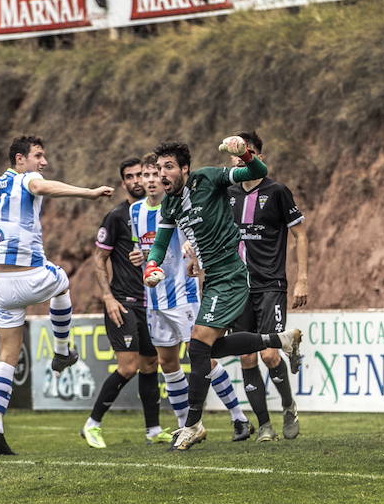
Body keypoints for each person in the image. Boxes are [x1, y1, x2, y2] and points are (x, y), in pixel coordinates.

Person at [0, 135, 114, 456]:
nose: (44, 163)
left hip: (0, 285)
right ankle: (63, 351)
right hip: (28, 272)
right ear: (20, 160)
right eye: (38, 156)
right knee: (62, 282)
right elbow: (39, 187)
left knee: (7, 357)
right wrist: (88, 193)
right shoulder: (28, 178)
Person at [142, 138, 304, 451]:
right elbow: (160, 243)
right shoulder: (170, 204)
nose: (163, 173)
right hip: (211, 279)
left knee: (199, 347)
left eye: (169, 167)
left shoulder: (207, 178)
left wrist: (242, 153)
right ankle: (279, 340)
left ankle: (192, 425)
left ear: (185, 169)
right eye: (159, 167)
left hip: (230, 276)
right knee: (206, 350)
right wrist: (151, 266)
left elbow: (258, 169)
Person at [131, 154, 253, 439]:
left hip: (183, 293)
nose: (151, 179)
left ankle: (238, 417)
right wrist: (146, 262)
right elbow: (150, 247)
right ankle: (185, 423)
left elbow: (193, 233)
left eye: (157, 172)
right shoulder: (135, 211)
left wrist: (192, 251)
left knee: (202, 355)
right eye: (147, 174)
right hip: (155, 298)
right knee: (168, 363)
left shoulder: (183, 200)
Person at [227, 131, 309, 442]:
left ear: (258, 158)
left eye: (245, 155)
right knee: (247, 357)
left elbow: (301, 235)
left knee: (269, 355)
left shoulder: (276, 192)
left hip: (271, 284)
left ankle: (288, 406)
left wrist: (302, 278)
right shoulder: (229, 194)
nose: (240, 162)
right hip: (237, 288)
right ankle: (264, 425)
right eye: (235, 158)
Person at [81, 158, 169, 447]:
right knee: (129, 366)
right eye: (130, 177)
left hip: (151, 302)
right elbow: (99, 258)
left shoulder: (158, 213)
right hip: (123, 301)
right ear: (124, 183)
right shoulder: (118, 216)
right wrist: (107, 297)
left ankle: (153, 430)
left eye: (140, 176)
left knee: (150, 364)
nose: (136, 181)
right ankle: (92, 424)